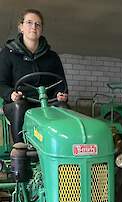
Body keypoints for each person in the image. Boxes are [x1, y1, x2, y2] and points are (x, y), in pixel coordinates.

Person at [0, 9, 69, 143]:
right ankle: (20, 148)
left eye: (38, 24)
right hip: (19, 101)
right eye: (29, 22)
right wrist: (11, 94)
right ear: (21, 27)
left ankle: (60, 149)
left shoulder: (52, 57)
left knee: (63, 107)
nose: (34, 27)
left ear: (41, 29)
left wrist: (61, 94)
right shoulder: (8, 53)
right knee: (20, 107)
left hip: (47, 102)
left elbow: (61, 83)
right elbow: (1, 83)